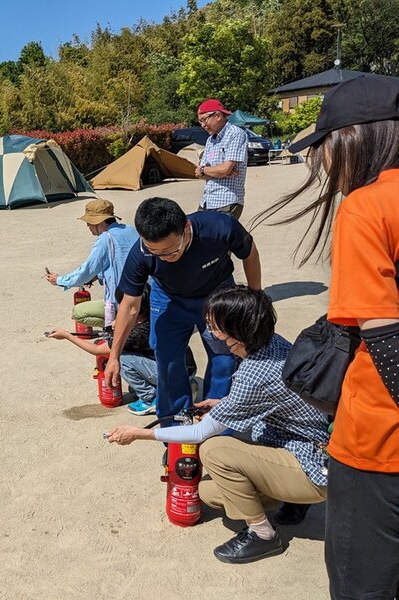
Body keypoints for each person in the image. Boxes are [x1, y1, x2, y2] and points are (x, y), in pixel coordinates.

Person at [257, 75, 399, 599]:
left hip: (379, 447)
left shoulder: (369, 206)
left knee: (363, 585)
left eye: (321, 148)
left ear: (354, 138)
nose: (319, 163)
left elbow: (387, 344)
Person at [106, 286, 330, 564]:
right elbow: (268, 400)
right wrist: (223, 404)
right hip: (305, 441)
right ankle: (294, 500)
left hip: (313, 465)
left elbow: (200, 432)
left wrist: (139, 433)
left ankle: (263, 535)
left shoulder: (254, 375)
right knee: (209, 493)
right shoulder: (273, 343)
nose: (211, 332)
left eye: (214, 326)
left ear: (236, 332)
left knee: (214, 450)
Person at [105, 197, 261, 425]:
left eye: (171, 250)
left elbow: (249, 252)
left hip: (216, 294)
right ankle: (174, 422)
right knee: (166, 357)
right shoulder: (140, 254)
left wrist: (256, 299)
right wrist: (114, 356)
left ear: (186, 228)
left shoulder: (218, 227)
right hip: (169, 298)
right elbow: (129, 306)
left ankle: (216, 420)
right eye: (156, 252)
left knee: (224, 355)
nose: (165, 257)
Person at [47, 285, 197, 413]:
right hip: (185, 367)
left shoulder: (137, 334)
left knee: (119, 358)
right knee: (132, 374)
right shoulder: (154, 315)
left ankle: (151, 398)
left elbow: (97, 350)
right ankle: (179, 387)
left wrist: (67, 336)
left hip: (177, 372)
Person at [46, 198, 138, 328]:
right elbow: (117, 262)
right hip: (142, 298)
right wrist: (95, 277)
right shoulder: (131, 230)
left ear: (98, 221)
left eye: (89, 222)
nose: (87, 226)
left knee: (78, 313)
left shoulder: (105, 239)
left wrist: (60, 280)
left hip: (121, 302)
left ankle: (114, 327)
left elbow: (87, 270)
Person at [195, 99, 248, 220]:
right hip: (207, 201)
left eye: (204, 120)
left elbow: (224, 169)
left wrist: (212, 171)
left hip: (226, 201)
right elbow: (199, 173)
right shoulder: (210, 140)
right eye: (200, 121)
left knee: (221, 238)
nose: (202, 125)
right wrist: (211, 171)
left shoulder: (235, 134)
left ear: (218, 116)